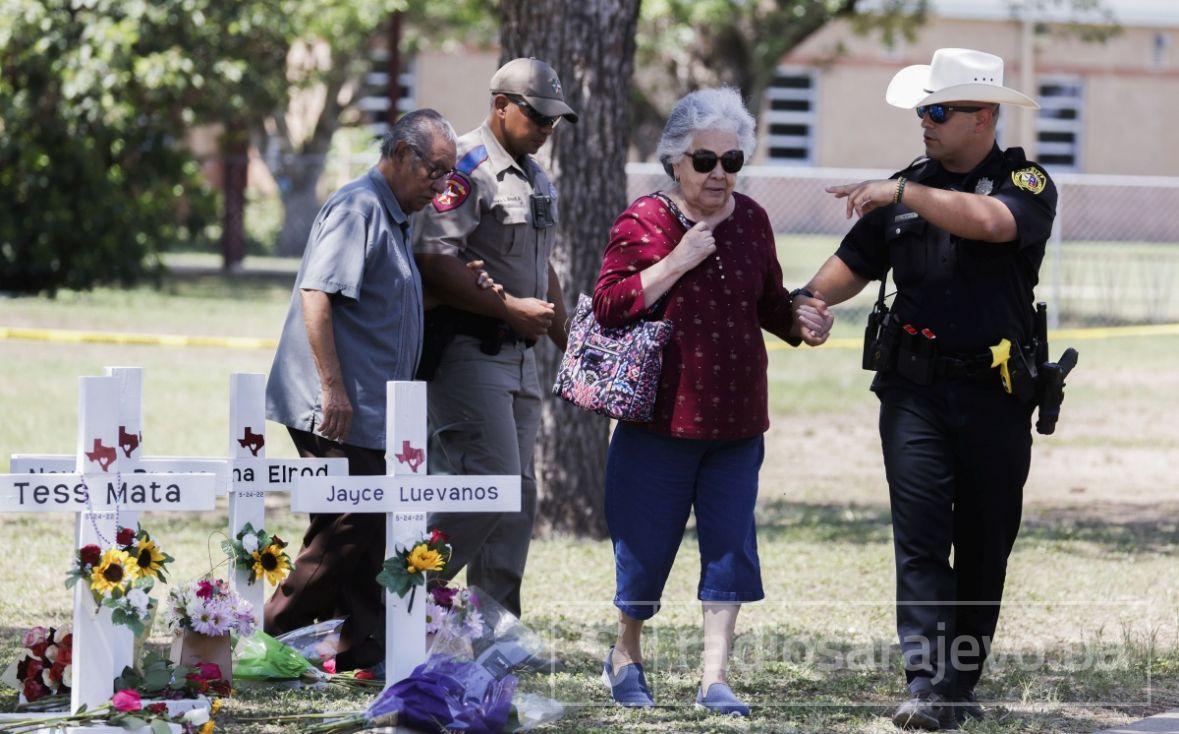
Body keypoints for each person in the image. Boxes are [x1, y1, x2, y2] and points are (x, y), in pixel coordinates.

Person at [791, 48, 1057, 730]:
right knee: (918, 536)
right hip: (911, 389)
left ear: (984, 115)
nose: (925, 123)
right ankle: (923, 680)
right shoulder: (904, 185)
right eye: (922, 111)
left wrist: (901, 194)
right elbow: (852, 263)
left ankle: (957, 681)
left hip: (994, 394)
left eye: (938, 111)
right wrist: (803, 304)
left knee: (982, 539)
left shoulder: (1022, 182)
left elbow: (993, 224)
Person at [592, 87, 832, 716]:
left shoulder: (752, 220)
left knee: (729, 547)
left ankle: (714, 678)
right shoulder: (643, 220)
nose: (719, 174)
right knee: (644, 548)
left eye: (732, 161)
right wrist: (676, 259)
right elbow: (610, 306)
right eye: (705, 161)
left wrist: (801, 319)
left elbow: (769, 302)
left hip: (737, 420)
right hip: (659, 419)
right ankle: (626, 655)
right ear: (675, 160)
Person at [264, 109, 493, 673]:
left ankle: (362, 644)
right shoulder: (359, 207)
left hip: (370, 407)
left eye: (448, 174)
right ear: (398, 155)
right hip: (334, 404)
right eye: (434, 171)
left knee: (374, 522)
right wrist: (333, 391)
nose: (441, 187)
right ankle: (273, 630)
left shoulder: (396, 214)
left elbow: (385, 304)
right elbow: (316, 296)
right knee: (352, 519)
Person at [411, 58, 577, 619]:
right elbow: (434, 259)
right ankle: (398, 592)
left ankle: (494, 627)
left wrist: (569, 340)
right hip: (468, 351)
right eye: (537, 116)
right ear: (501, 105)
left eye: (555, 120)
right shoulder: (464, 166)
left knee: (518, 495)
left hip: (521, 354)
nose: (547, 128)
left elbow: (539, 266)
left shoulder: (535, 175)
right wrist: (508, 306)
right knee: (489, 488)